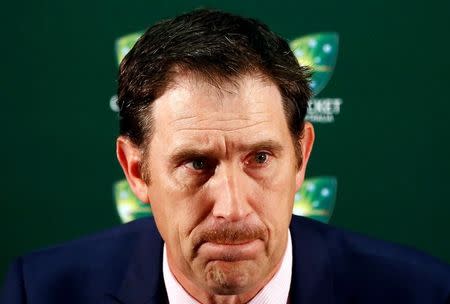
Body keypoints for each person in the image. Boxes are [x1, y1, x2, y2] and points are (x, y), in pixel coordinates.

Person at [1, 9, 450, 304]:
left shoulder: (422, 293)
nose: (232, 208)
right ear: (136, 170)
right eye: (197, 163)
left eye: (259, 158)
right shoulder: (40, 291)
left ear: (301, 156)